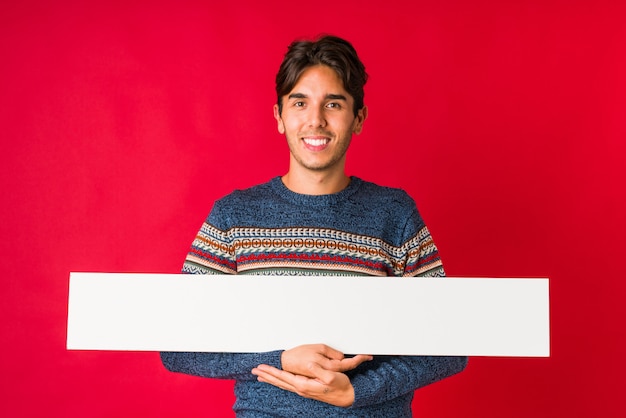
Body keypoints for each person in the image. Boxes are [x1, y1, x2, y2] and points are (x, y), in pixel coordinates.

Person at [161, 35, 467, 417]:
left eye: (333, 104)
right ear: (279, 116)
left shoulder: (396, 214)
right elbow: (177, 346)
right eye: (300, 102)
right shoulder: (232, 218)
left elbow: (452, 346)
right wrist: (281, 359)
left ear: (358, 118)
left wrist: (357, 391)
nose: (315, 120)